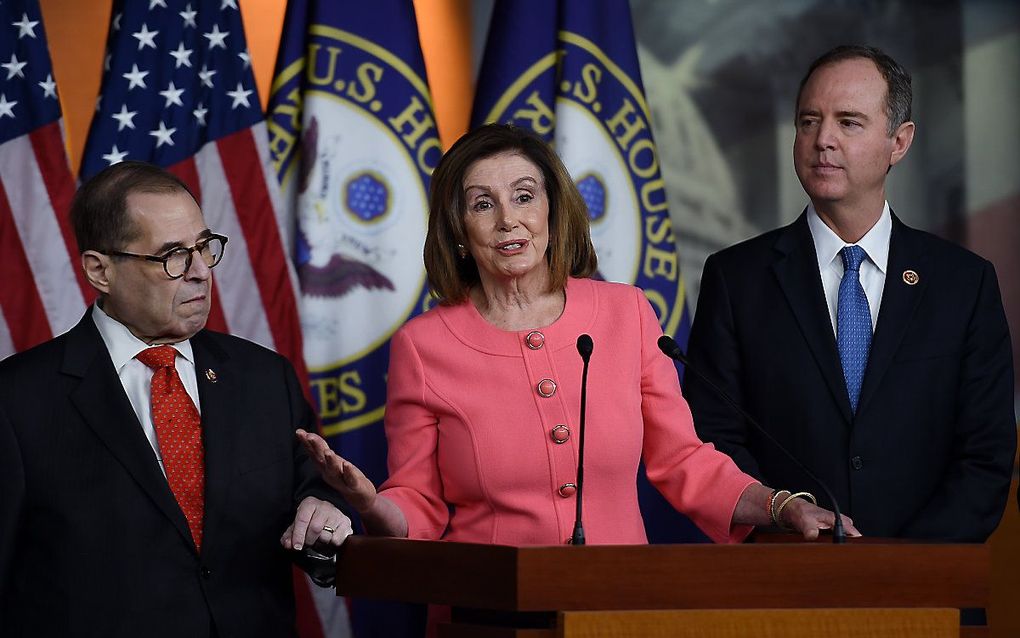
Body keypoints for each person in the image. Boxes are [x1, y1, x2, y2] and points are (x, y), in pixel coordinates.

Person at [298, 123, 857, 548]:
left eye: (524, 196)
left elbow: (684, 460)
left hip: (616, 608)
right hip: (489, 613)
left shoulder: (626, 313)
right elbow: (418, 504)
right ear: (459, 231)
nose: (508, 221)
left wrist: (781, 503)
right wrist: (372, 507)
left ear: (553, 210)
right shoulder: (424, 345)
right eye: (482, 204)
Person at [0, 162, 353, 637]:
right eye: (172, 255)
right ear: (99, 270)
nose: (201, 272)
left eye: (205, 247)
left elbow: (315, 498)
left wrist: (326, 513)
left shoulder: (265, 378)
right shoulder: (17, 399)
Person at [683, 45, 1015, 542]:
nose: (823, 140)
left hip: (926, 592)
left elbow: (985, 456)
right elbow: (716, 437)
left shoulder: (963, 284)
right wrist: (787, 527)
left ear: (899, 142)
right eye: (809, 121)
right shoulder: (736, 278)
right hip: (784, 585)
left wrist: (900, 569)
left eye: (850, 122)